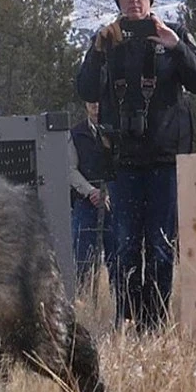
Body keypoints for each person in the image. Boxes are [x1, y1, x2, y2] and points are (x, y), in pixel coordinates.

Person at [75, 0, 196, 333]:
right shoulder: (106, 40)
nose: (134, 0)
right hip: (123, 162)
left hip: (166, 160)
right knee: (124, 248)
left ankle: (156, 323)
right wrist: (98, 53)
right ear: (117, 0)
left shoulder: (174, 34)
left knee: (162, 247)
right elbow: (86, 91)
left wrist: (176, 47)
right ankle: (127, 318)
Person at [68, 101, 115, 295]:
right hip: (85, 203)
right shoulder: (75, 133)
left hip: (114, 203)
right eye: (91, 102)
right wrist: (91, 192)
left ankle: (118, 302)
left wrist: (110, 193)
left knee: (117, 258)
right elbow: (69, 168)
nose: (96, 106)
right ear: (85, 104)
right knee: (83, 259)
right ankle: (83, 304)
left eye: (99, 101)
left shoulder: (116, 130)